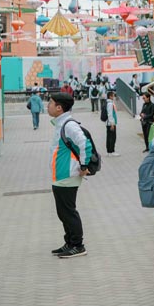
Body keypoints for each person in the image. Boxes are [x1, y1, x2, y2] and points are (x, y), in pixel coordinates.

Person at [47, 92, 94, 259]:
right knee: (62, 212)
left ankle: (78, 245)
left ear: (59, 108)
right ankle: (69, 242)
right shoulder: (61, 124)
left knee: (68, 211)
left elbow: (85, 144)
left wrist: (84, 165)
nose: (48, 106)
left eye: (50, 103)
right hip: (60, 175)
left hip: (68, 175)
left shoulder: (69, 125)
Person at [105, 90, 119, 156]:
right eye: (113, 96)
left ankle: (109, 151)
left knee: (109, 137)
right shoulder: (110, 104)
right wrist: (112, 124)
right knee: (112, 137)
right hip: (111, 123)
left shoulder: (109, 103)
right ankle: (111, 151)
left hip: (109, 123)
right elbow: (110, 114)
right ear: (110, 96)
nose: (114, 97)